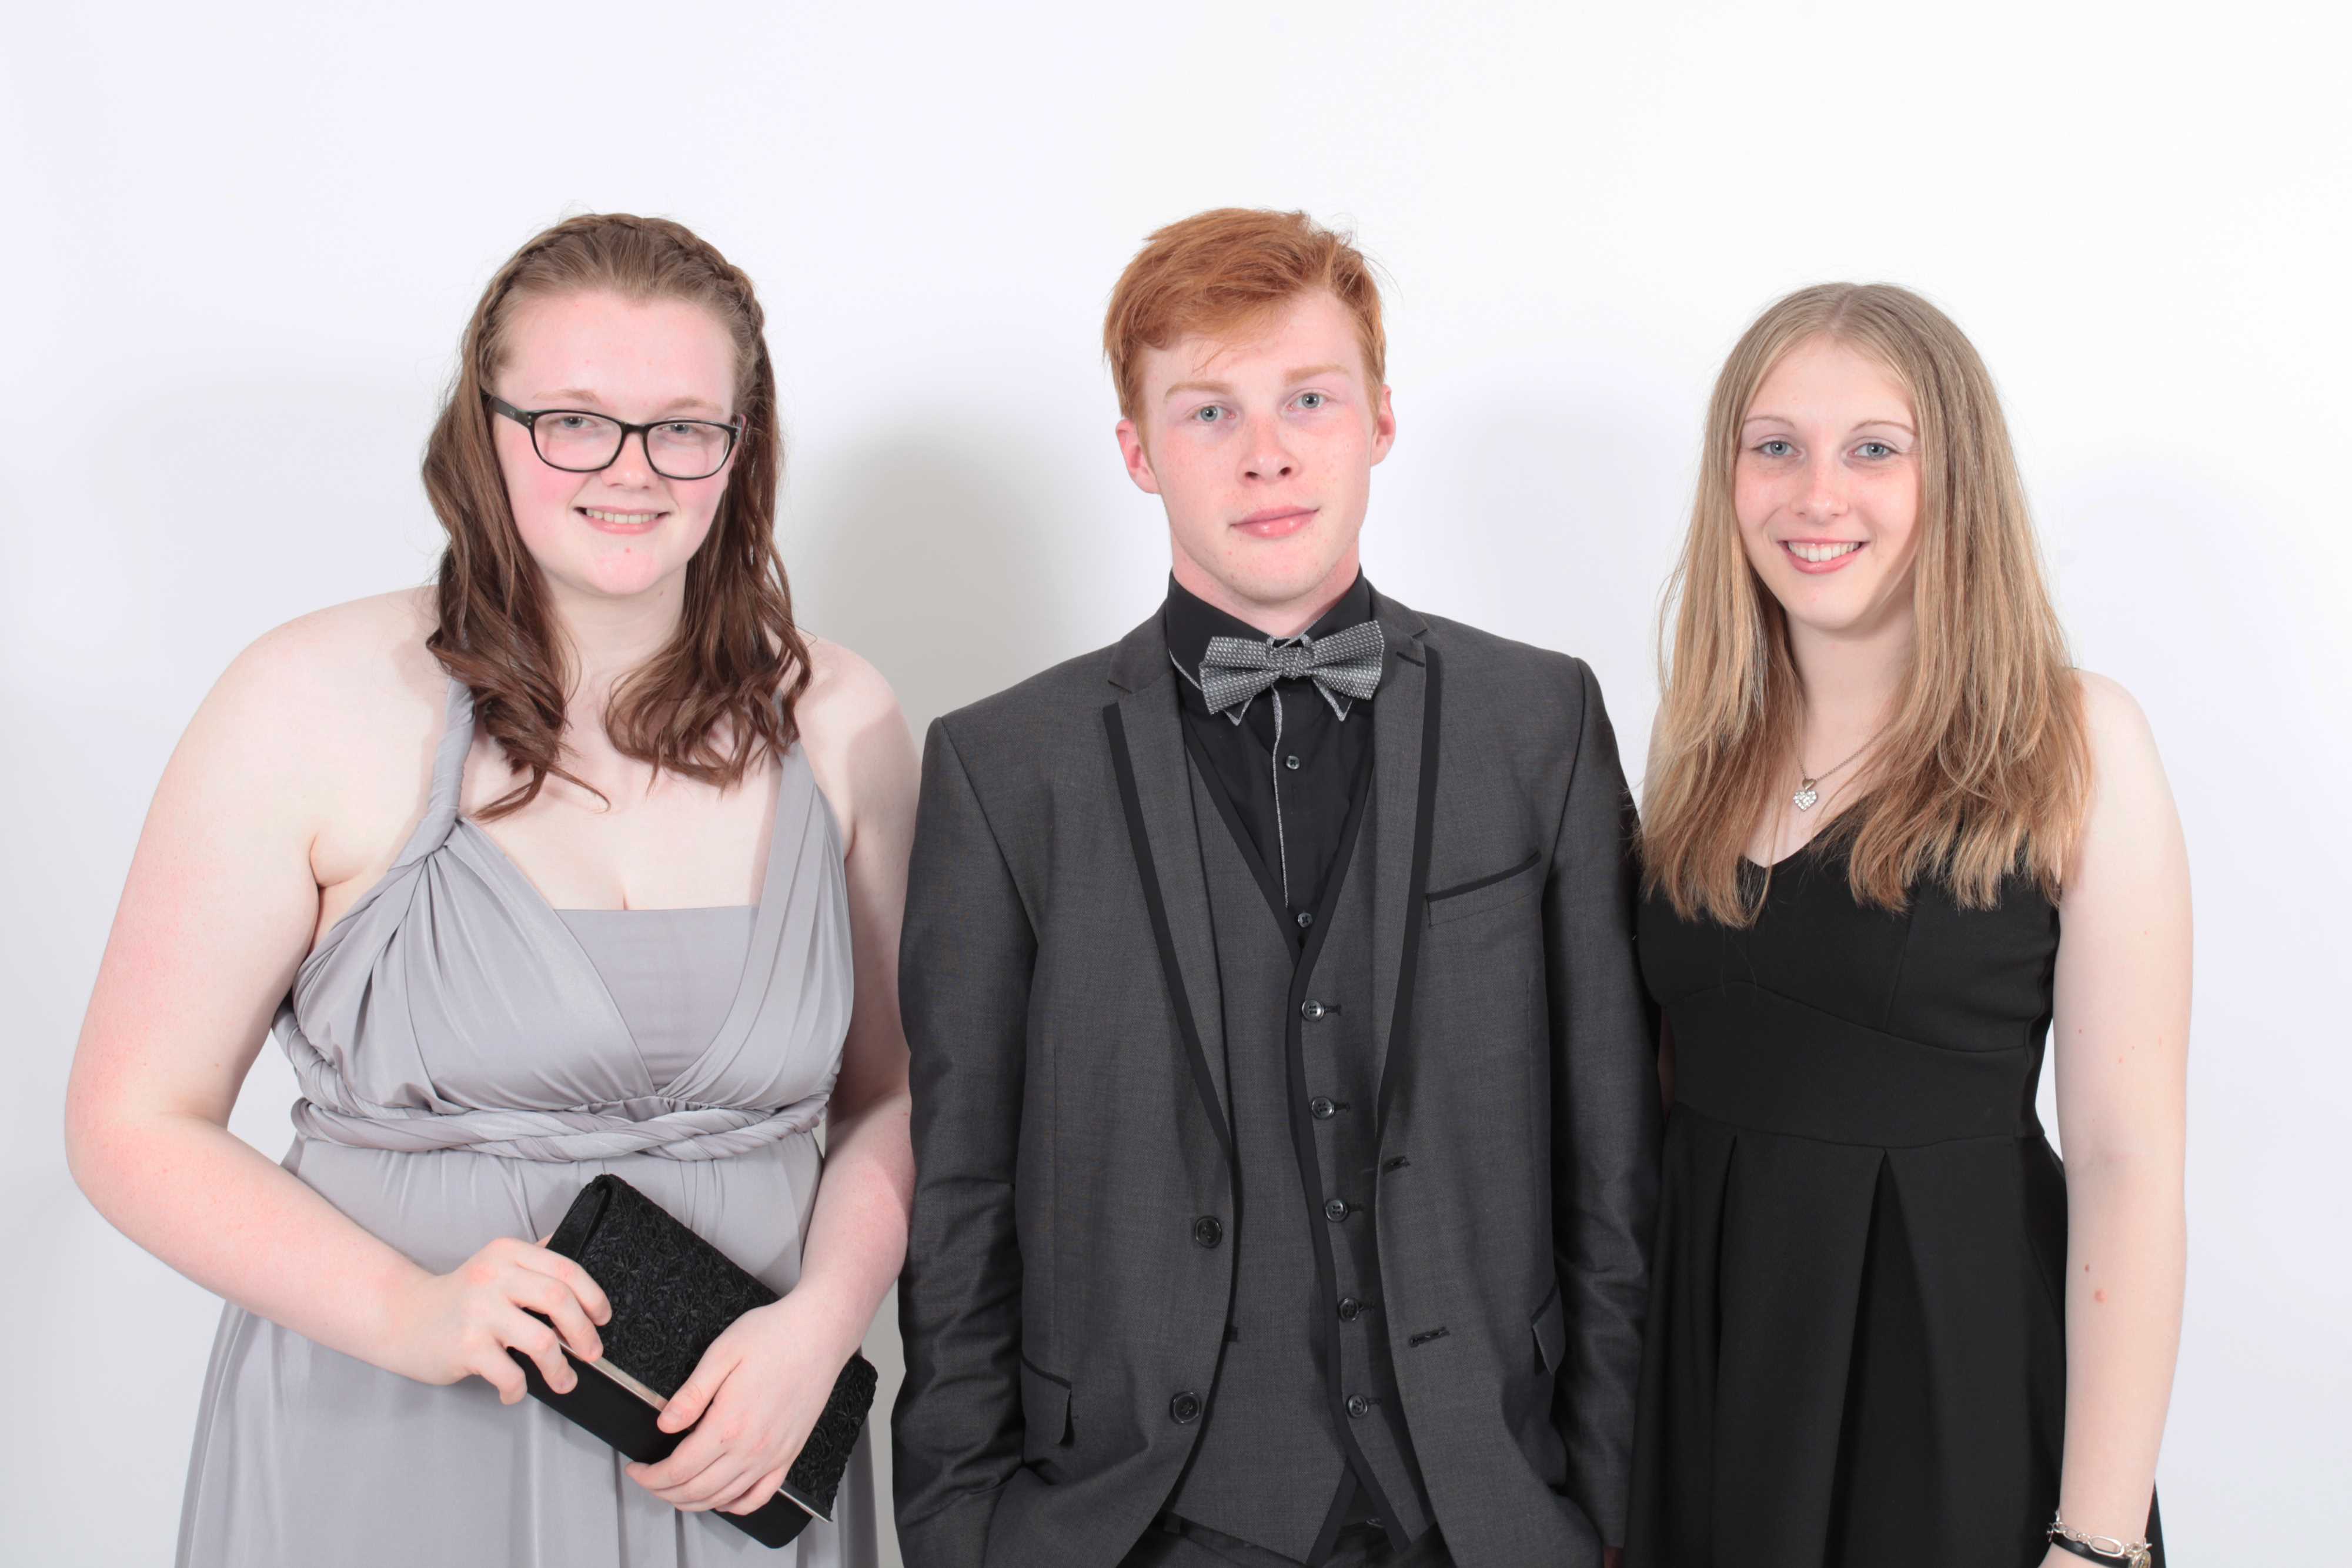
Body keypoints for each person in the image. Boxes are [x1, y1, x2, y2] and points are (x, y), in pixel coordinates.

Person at [64, 213, 917, 1567]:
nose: (630, 468)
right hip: (390, 1434)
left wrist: (819, 1329)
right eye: (573, 420)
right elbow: (131, 1121)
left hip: (739, 1439)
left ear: (740, 448)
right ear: (485, 429)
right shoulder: (302, 700)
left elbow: (894, 1092)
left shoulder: (843, 716)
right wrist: (407, 1312)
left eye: (682, 427)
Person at [892, 207, 1659, 1568]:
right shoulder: (1003, 768)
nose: (1267, 452)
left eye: (1308, 397)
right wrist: (960, 1537)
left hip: (1485, 1513)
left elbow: (1613, 1158)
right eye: (1208, 412)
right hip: (1138, 1521)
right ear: (1136, 451)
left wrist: (1603, 1514)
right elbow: (958, 1201)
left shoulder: (1537, 720)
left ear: (1378, 418)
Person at [1626, 284, 2187, 1567]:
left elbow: (2127, 1163)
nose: (1815, 494)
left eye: (1874, 448)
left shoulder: (2074, 739)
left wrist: (2096, 1541)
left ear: (1957, 479)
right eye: (1775, 446)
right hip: (1716, 1387)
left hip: (1954, 1390)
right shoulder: (1697, 746)